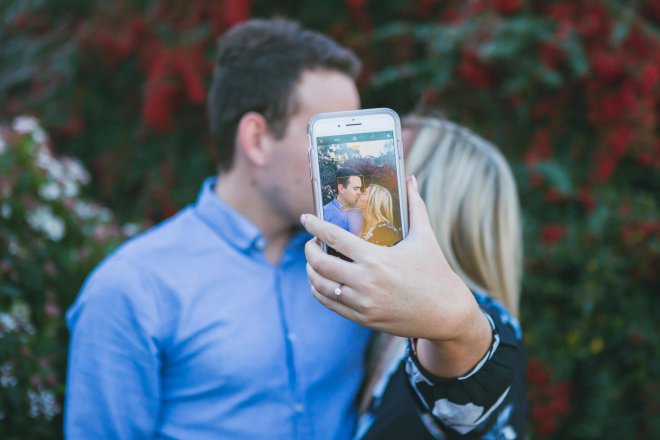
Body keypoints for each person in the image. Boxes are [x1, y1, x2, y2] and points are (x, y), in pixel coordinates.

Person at [65, 19, 372, 439]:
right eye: (329, 137)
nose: (352, 162)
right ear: (257, 139)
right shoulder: (131, 289)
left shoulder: (359, 262)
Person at [300, 115, 526, 439]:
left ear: (425, 198)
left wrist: (459, 327)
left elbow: (467, 387)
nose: (366, 181)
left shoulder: (486, 325)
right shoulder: (386, 323)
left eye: (386, 164)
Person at [323, 167, 364, 235]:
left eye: (360, 188)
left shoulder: (363, 212)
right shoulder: (324, 214)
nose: (359, 192)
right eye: (355, 189)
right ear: (341, 189)